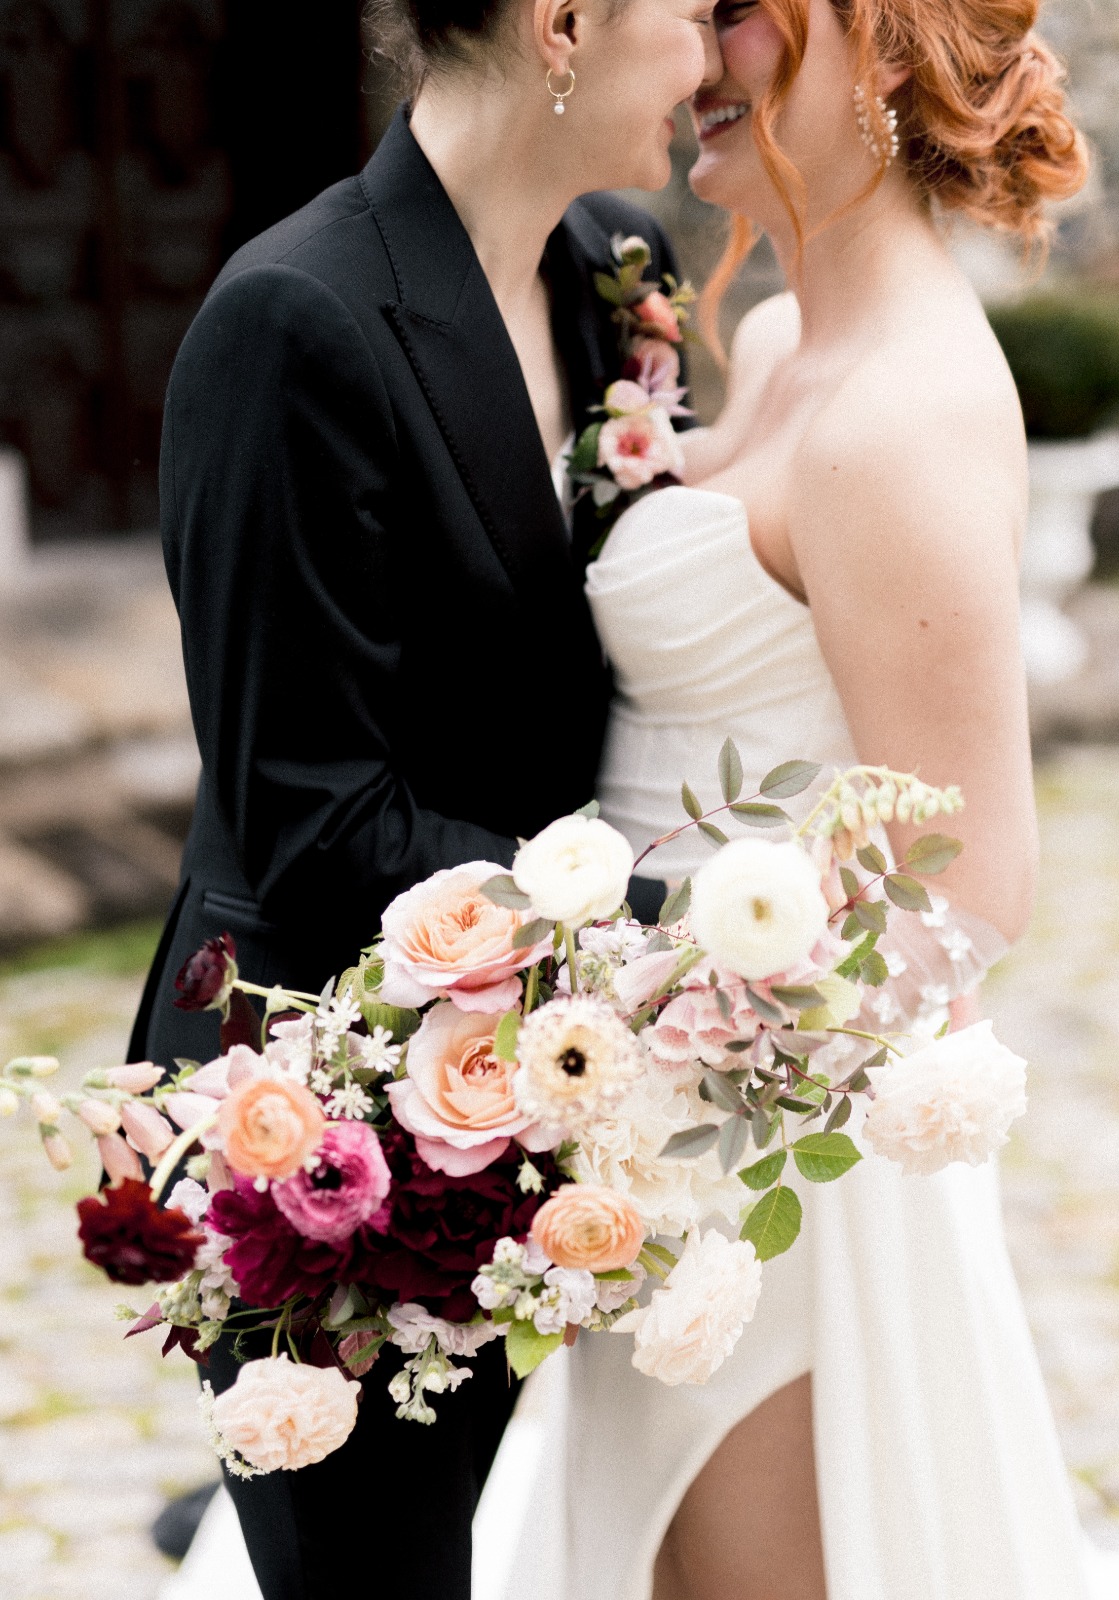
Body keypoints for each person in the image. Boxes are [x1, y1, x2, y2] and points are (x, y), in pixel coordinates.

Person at [485, 0, 1119, 1595]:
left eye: (739, 17)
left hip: (772, 1172)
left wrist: (698, 1057)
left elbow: (974, 878)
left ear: (878, 50)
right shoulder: (797, 344)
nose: (695, 54)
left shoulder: (903, 418)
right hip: (645, 1119)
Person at [127, 0, 720, 1591]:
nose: (714, 57)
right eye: (688, 12)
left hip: (557, 1091)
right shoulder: (290, 323)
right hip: (332, 1130)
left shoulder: (612, 266)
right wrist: (696, 927)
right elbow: (311, 821)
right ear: (568, 24)